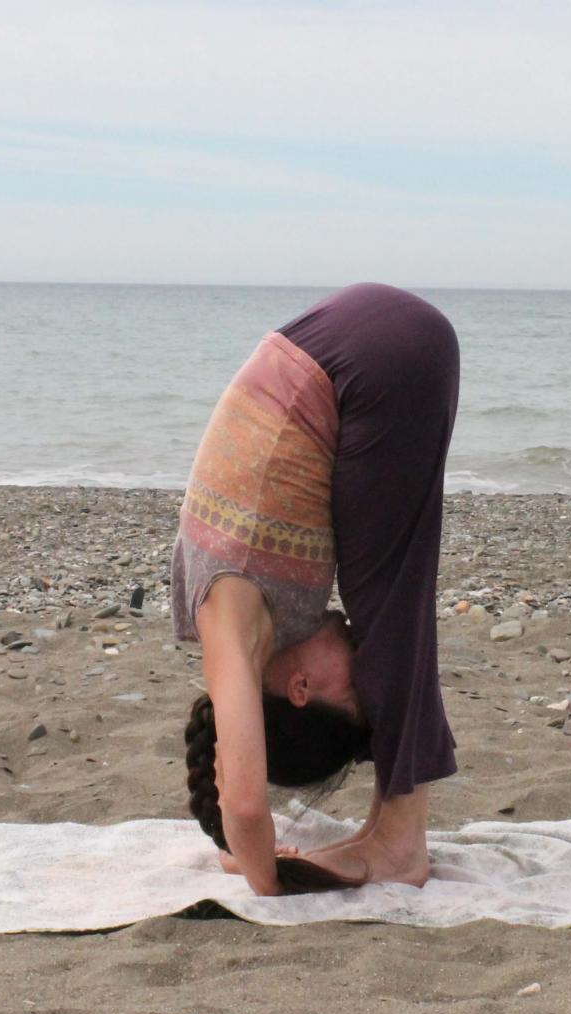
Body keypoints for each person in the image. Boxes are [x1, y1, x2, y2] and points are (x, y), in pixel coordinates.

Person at [172, 283, 460, 896]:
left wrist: (268, 881)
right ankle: (387, 827)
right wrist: (240, 848)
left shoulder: (231, 630)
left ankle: (401, 841)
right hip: (342, 335)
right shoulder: (246, 619)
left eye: (353, 690)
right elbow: (240, 813)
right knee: (389, 608)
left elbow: (247, 805)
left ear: (300, 689)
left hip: (370, 355)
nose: (359, 658)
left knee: (393, 615)